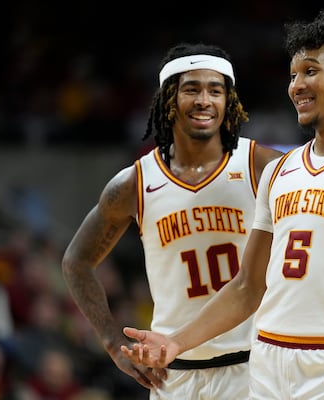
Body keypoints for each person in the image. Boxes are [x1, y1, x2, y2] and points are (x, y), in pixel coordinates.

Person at [122, 11, 324, 400]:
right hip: (267, 362)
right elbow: (248, 285)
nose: (296, 85)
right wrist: (176, 343)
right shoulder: (280, 170)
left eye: (310, 71)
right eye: (292, 75)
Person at [61, 42, 283, 399]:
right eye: (191, 89)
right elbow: (76, 261)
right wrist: (111, 340)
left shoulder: (263, 166)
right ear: (169, 99)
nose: (204, 100)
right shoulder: (134, 183)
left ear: (229, 101)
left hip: (255, 367)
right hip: (173, 376)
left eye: (215, 90)